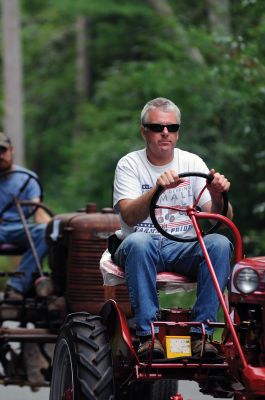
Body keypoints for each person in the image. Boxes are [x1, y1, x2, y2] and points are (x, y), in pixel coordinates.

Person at [112, 97, 233, 359]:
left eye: (172, 127)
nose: (165, 132)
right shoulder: (129, 164)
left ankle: (203, 335)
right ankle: (149, 336)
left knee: (220, 244)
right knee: (139, 241)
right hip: (141, 248)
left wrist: (219, 195)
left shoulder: (192, 162)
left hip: (182, 247)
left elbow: (220, 220)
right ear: (144, 130)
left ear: (178, 132)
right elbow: (130, 216)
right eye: (157, 127)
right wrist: (158, 188)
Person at [0, 132, 51, 300]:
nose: (0, 155)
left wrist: (55, 228)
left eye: (2, 150)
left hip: (19, 228)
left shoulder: (27, 179)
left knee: (45, 231)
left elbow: (38, 213)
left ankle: (16, 288)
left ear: (11, 150)